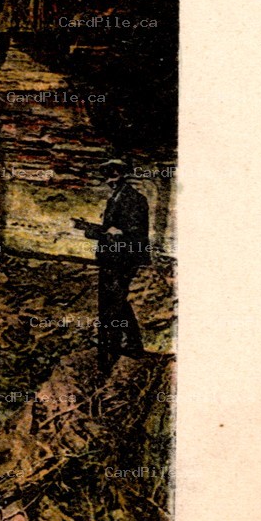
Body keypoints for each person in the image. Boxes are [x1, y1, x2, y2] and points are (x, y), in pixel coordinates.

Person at [73, 159, 149, 377]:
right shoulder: (115, 199)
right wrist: (88, 228)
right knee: (116, 301)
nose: (110, 180)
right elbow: (111, 230)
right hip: (112, 258)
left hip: (123, 259)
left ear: (123, 174)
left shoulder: (134, 199)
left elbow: (128, 233)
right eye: (107, 176)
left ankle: (114, 346)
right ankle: (129, 343)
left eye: (114, 175)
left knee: (114, 302)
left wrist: (104, 233)